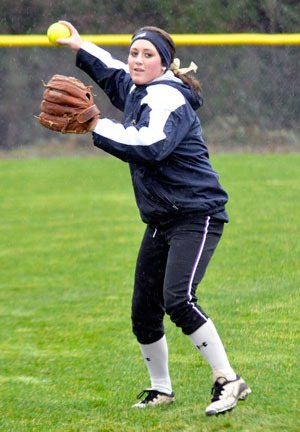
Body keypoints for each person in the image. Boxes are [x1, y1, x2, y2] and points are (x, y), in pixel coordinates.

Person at [57, 21, 251, 416]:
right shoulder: (139, 87)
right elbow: (112, 72)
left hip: (198, 213)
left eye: (148, 55)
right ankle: (161, 389)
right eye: (135, 53)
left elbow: (150, 145)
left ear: (164, 63)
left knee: (178, 299)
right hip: (164, 219)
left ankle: (228, 380)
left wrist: (97, 125)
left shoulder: (166, 98)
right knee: (144, 310)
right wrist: (80, 46)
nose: (138, 60)